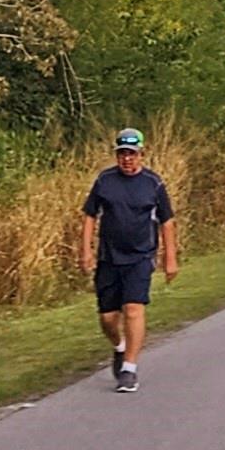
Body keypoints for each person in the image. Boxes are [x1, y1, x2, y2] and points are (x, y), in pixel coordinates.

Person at [80, 128, 178, 392]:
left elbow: (167, 222)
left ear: (141, 155)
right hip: (109, 258)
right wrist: (86, 251)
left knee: (134, 308)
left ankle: (129, 369)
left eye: (132, 154)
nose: (127, 159)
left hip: (140, 256)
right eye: (122, 154)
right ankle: (120, 347)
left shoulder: (153, 184)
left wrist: (170, 259)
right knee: (108, 318)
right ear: (116, 155)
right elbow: (90, 216)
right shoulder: (105, 181)